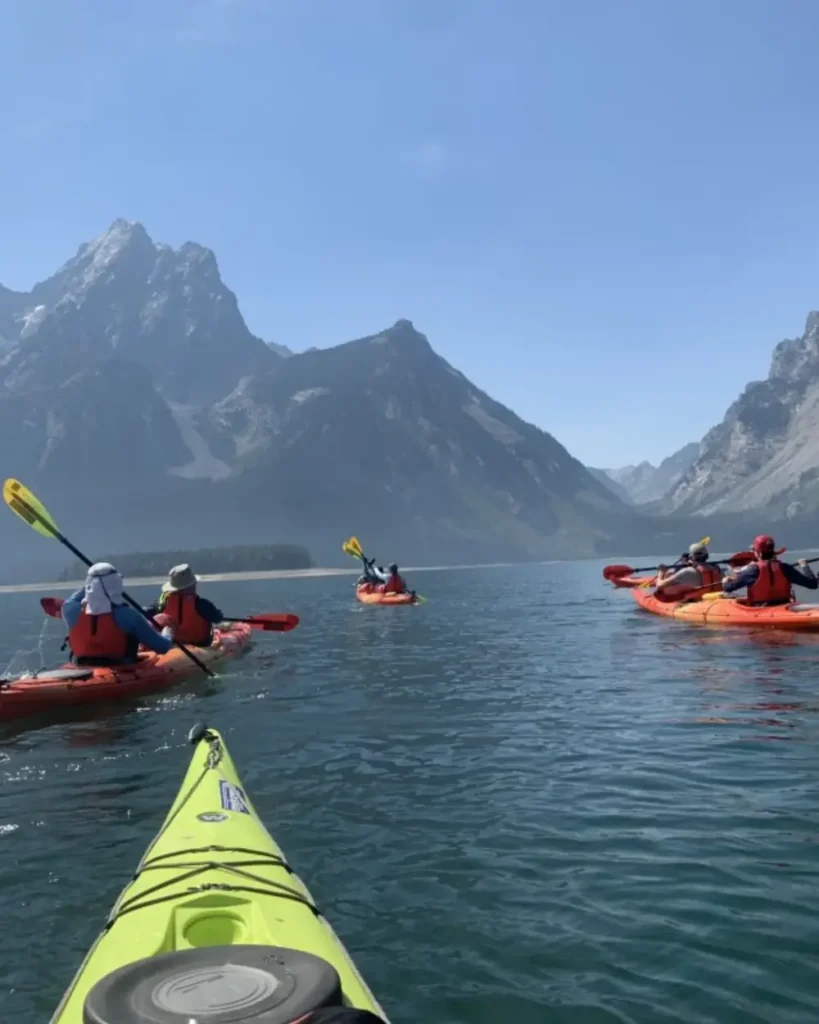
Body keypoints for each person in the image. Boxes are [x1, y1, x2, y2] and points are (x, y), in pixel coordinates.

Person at [62, 562, 175, 666]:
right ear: (116, 583)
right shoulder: (129, 616)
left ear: (89, 585)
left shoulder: (69, 610)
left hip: (80, 665)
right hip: (121, 667)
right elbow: (162, 647)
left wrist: (93, 580)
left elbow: (76, 597)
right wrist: (167, 634)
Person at [722, 535, 817, 606]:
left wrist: (726, 581)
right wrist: (804, 566)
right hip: (784, 605)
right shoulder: (785, 567)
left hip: (761, 609)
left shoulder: (753, 570)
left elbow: (728, 588)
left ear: (758, 553)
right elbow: (812, 584)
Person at [147, 564, 224, 646]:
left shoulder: (161, 603)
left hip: (173, 644)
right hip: (200, 645)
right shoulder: (202, 604)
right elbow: (218, 618)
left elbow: (147, 613)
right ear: (191, 586)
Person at [654, 541, 722, 600]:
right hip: (714, 597)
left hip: (698, 601)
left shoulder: (687, 572)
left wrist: (661, 572)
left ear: (691, 556)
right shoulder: (716, 568)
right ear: (707, 555)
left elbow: (659, 586)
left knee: (670, 578)